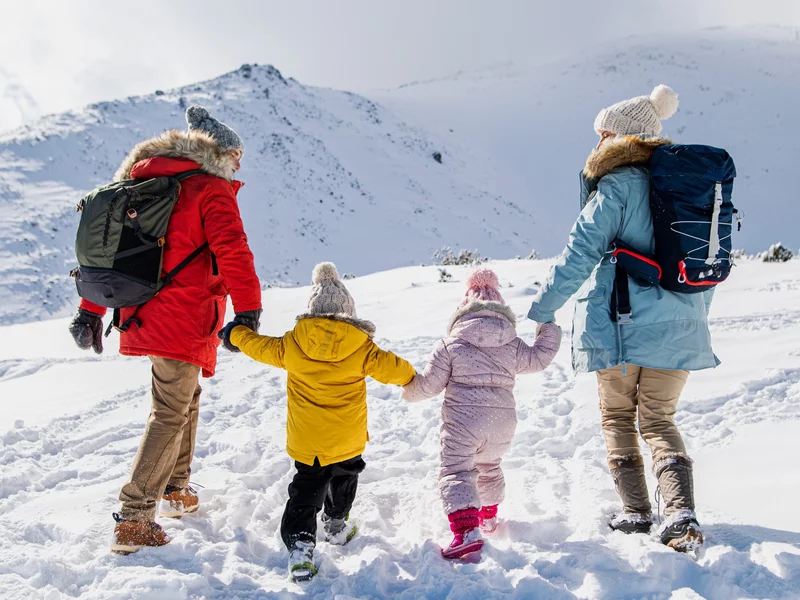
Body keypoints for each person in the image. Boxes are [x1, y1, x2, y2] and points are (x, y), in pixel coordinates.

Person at [527, 85, 715, 552]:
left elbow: (579, 253)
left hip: (622, 328)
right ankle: (680, 514)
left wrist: (543, 309)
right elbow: (701, 273)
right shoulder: (687, 191)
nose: (596, 144)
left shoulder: (616, 187)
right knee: (660, 420)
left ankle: (636, 513)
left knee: (617, 416)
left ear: (623, 137)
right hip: (682, 328)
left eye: (603, 134)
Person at [68, 106, 262, 554]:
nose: (239, 165)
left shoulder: (146, 182)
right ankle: (135, 518)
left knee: (183, 396)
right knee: (170, 409)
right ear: (220, 151)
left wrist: (90, 310)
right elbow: (234, 250)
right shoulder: (209, 189)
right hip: (185, 313)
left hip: (144, 310)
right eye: (237, 155)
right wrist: (250, 309)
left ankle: (176, 487)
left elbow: (111, 254)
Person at [218, 262, 415, 581]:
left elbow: (257, 346)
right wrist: (413, 379)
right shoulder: (362, 347)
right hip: (347, 440)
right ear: (349, 314)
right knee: (345, 478)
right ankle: (337, 525)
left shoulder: (292, 344)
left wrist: (236, 333)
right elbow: (395, 368)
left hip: (307, 443)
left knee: (306, 491)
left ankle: (299, 547)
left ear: (311, 313)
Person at [402, 268, 561, 559]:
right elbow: (539, 358)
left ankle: (466, 531)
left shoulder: (450, 345)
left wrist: (407, 390)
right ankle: (487, 516)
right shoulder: (511, 343)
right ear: (500, 309)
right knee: (488, 466)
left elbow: (427, 386)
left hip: (465, 423)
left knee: (457, 471)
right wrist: (548, 326)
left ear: (463, 310)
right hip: (502, 424)